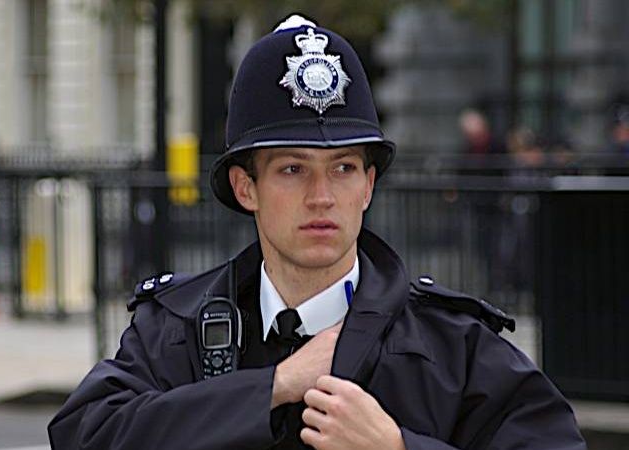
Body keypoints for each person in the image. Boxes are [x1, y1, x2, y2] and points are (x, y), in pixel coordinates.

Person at [48, 15, 585, 450]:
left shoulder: (450, 345)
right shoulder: (177, 329)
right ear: (245, 187)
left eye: (343, 168)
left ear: (368, 185)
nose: (322, 196)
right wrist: (272, 388)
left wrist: (397, 448)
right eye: (292, 169)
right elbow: (85, 433)